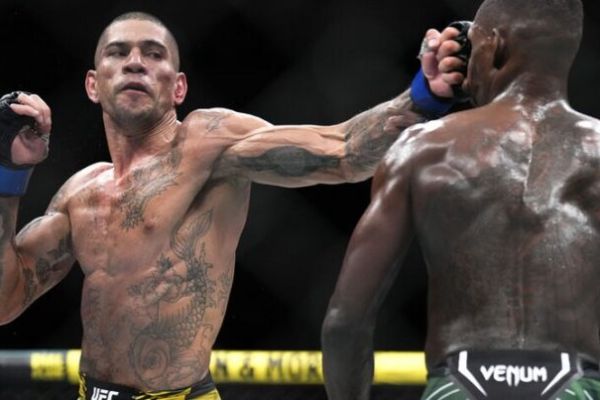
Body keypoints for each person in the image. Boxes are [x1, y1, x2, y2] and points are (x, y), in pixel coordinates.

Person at [0, 11, 466, 400]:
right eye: (117, 53)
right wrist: (9, 174)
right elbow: (6, 302)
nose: (135, 62)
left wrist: (422, 98)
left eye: (154, 54)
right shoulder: (79, 192)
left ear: (178, 88)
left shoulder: (206, 144)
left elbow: (342, 151)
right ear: (92, 85)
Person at [321, 0, 600, 399]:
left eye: (473, 44)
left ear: (495, 46)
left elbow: (345, 321)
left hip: (461, 383)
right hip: (575, 382)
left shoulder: (425, 149)